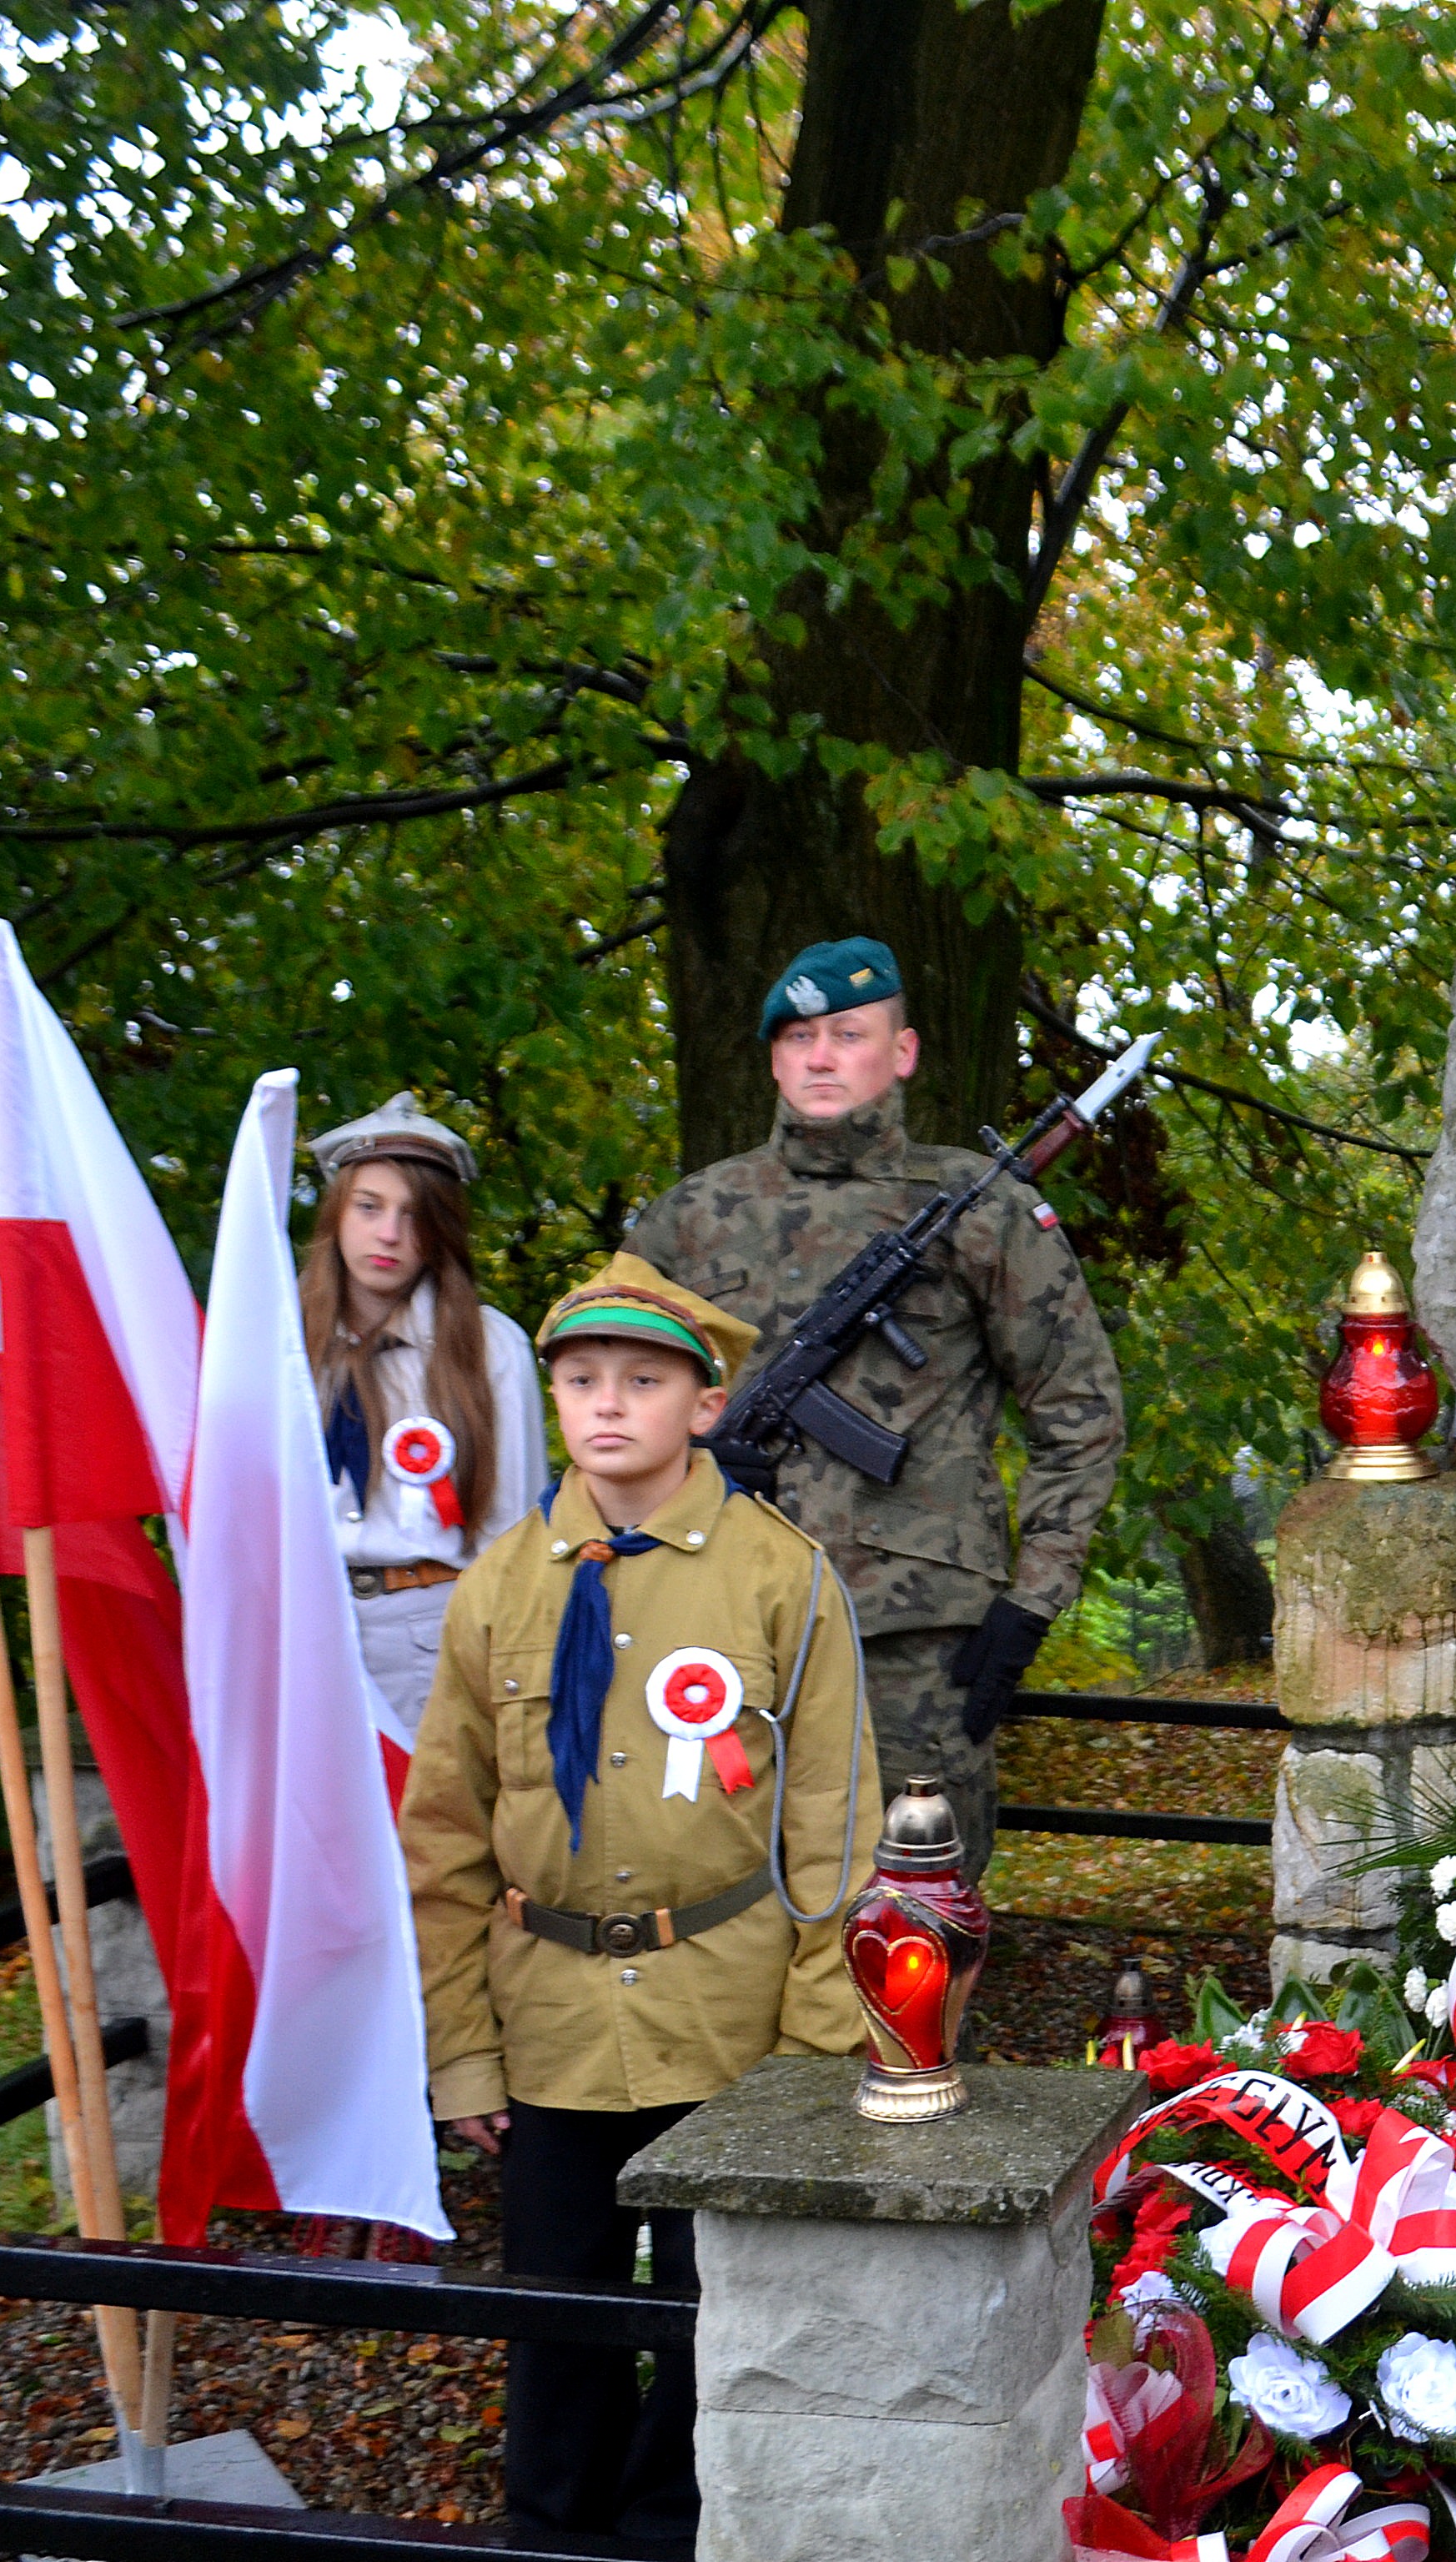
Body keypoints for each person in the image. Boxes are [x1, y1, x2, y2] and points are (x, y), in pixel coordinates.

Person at [403, 1255, 876, 2547]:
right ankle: (552, 2533)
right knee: (556, 2321)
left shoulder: (783, 1579)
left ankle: (672, 2531)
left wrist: (815, 2051)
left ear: (705, 1406)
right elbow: (442, 1839)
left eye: (645, 1381)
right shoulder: (498, 1588)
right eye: (582, 1379)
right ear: (553, 1396)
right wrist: (461, 2054)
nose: (609, 1405)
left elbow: (836, 1831)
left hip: (724, 2010)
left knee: (719, 2316)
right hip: (546, 2018)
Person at [625, 937, 1124, 1893]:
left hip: (918, 1641)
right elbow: (609, 1408)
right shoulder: (687, 1219)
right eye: (800, 1037)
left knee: (917, 1916)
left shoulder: (981, 1211)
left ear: (901, 1053)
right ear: (772, 1058)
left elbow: (1080, 1411)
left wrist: (1032, 1599)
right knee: (718, 1901)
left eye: (848, 1035)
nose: (820, 1057)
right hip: (718, 1629)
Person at [303, 1093, 550, 1754]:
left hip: (430, 1634)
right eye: (369, 1207)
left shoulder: (488, 1347)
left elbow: (514, 1539)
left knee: (428, 1841)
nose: (388, 1234)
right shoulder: (281, 1342)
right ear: (337, 1215)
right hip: (304, 1632)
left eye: (413, 1216)